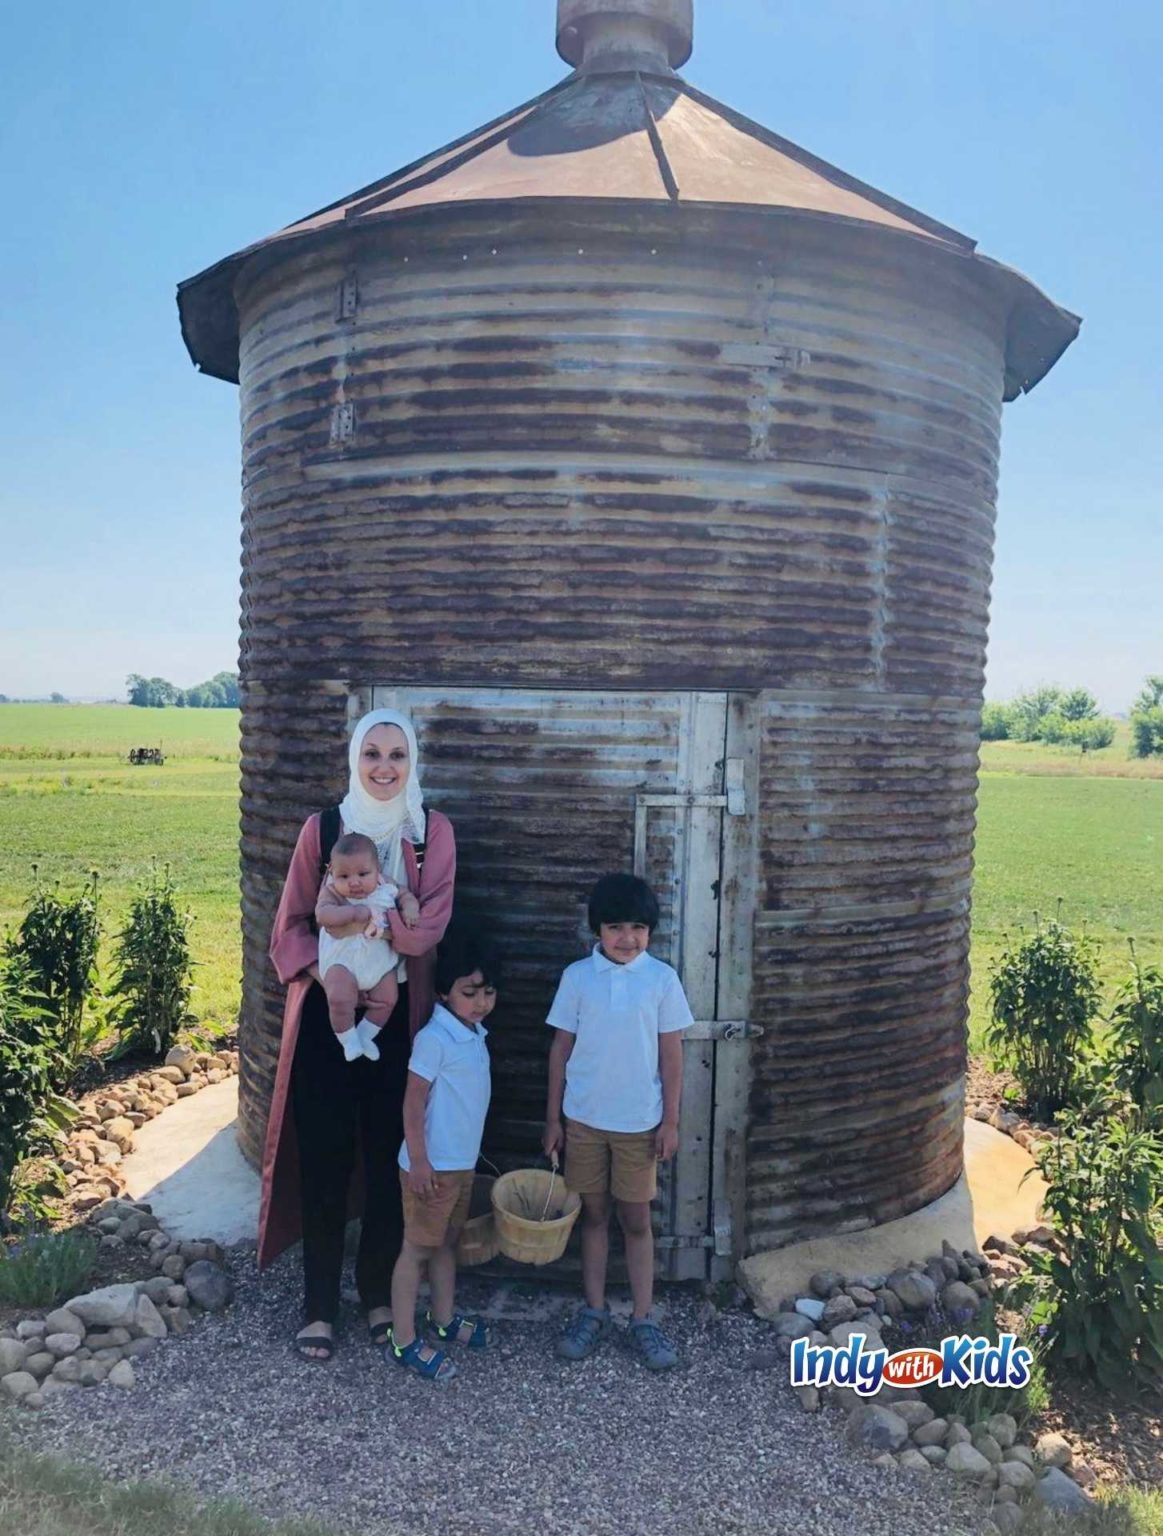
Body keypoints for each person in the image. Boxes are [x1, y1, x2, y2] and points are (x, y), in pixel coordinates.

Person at [259, 709, 455, 1363]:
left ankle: (376, 1289)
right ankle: (318, 1304)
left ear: (412, 761)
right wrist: (331, 972)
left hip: (396, 1020)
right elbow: (288, 927)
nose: (383, 767)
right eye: (371, 752)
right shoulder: (325, 830)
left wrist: (380, 940)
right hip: (327, 1015)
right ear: (354, 757)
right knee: (324, 1154)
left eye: (396, 754)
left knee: (388, 1156)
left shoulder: (429, 836)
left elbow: (429, 927)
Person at [543, 872, 692, 1370]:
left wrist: (670, 1122)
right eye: (615, 927)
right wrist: (553, 1120)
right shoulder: (577, 978)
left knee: (636, 1220)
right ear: (597, 931)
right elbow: (559, 1050)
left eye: (637, 928)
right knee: (594, 1216)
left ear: (650, 931)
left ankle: (645, 1318)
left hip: (639, 1126)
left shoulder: (661, 980)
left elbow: (672, 1056)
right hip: (583, 1121)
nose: (627, 939)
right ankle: (593, 1310)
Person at [386, 930, 500, 1382]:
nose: (480, 1002)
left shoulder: (474, 1034)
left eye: (488, 992)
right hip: (429, 1169)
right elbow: (413, 1101)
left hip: (459, 1165)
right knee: (416, 1249)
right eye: (469, 993)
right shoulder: (435, 1038)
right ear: (443, 992)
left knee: (446, 1243)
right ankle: (404, 1338)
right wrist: (418, 1161)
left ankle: (444, 1318)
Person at [315, 831, 420, 1062]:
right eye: (344, 876)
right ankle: (348, 1039)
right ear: (332, 872)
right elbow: (322, 915)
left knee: (387, 999)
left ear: (377, 870)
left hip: (379, 964)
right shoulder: (331, 891)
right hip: (342, 962)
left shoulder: (387, 885)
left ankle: (365, 1035)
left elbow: (405, 895)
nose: (354, 882)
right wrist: (352, 912)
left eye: (363, 874)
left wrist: (410, 906)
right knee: (340, 998)